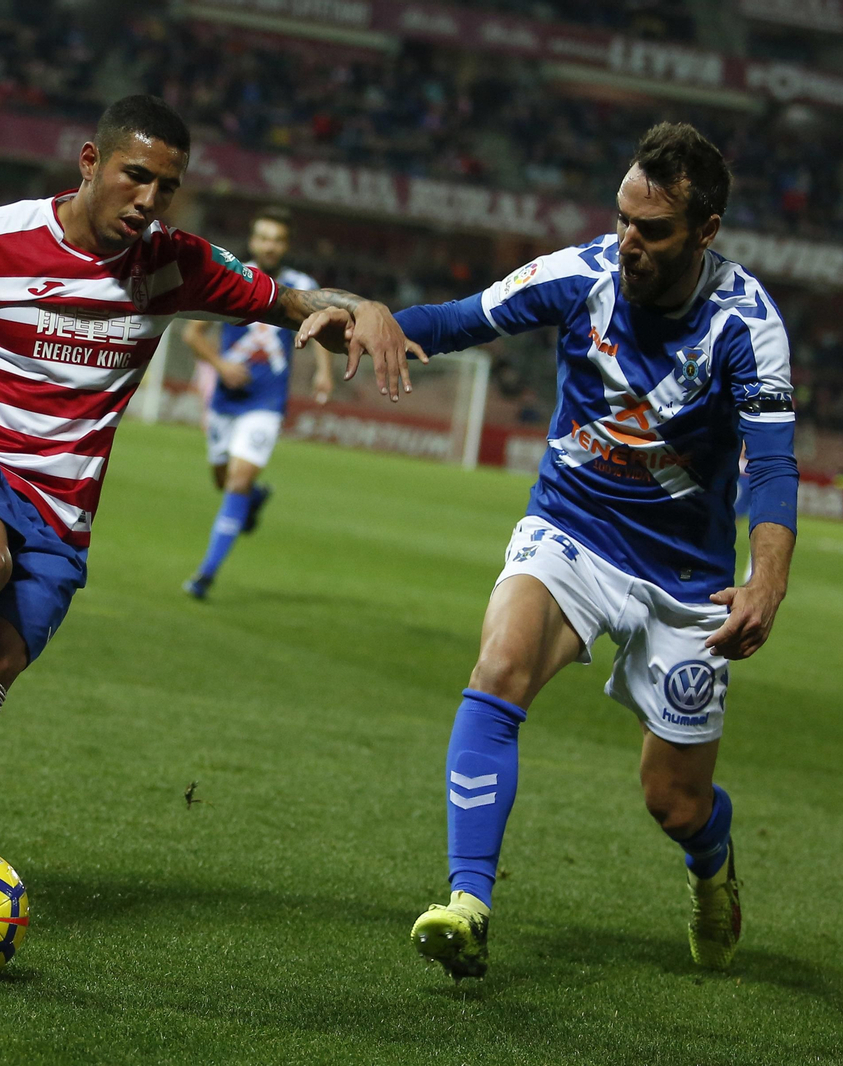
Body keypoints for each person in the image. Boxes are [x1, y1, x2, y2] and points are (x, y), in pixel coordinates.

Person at [0, 95, 419, 943]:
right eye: (136, 176)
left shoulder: (176, 264)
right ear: (90, 161)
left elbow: (295, 301)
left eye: (167, 186)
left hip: (62, 509)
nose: (149, 200)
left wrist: (366, 307)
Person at [315, 122, 798, 979]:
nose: (628, 241)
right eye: (622, 219)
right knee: (499, 667)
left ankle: (713, 865)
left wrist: (767, 581)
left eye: (652, 229)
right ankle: (468, 905)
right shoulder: (580, 276)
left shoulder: (747, 325)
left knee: (674, 802)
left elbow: (770, 465)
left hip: (687, 576)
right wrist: (371, 320)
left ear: (706, 231)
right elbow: (461, 320)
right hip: (572, 528)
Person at [180, 205, 333, 599]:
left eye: (277, 239)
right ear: (252, 240)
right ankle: (253, 500)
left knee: (236, 481)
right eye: (264, 237)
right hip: (226, 400)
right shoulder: (232, 276)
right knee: (224, 481)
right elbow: (192, 334)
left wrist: (323, 371)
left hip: (266, 402)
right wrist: (221, 365)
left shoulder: (301, 285)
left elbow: (321, 329)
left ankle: (205, 575)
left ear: (287, 245)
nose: (270, 246)